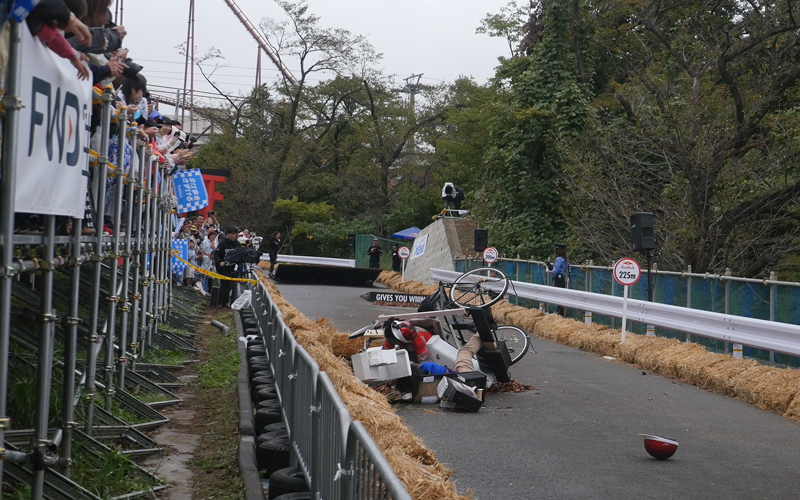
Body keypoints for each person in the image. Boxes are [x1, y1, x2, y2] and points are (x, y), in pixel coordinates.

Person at [213, 226, 242, 308]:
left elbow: (239, 254)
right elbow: (216, 253)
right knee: (225, 282)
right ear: (227, 234)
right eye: (231, 234)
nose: (233, 236)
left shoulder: (237, 244)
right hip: (222, 266)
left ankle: (223, 301)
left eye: (234, 234)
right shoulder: (223, 243)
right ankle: (222, 302)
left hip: (231, 266)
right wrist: (219, 262)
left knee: (229, 284)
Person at [548, 243, 570, 315]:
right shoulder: (565, 260)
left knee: (558, 295)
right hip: (562, 278)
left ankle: (558, 312)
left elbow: (556, 270)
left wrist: (549, 271)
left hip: (558, 278)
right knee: (561, 295)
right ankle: (561, 312)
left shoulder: (558, 259)